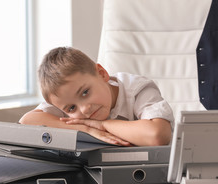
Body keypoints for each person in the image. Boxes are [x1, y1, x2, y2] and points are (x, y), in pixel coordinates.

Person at [19, 47, 174, 146]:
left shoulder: (137, 89)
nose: (85, 109)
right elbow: (27, 121)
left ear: (101, 73)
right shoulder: (65, 97)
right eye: (72, 108)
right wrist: (87, 129)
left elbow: (157, 136)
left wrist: (103, 126)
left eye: (85, 92)